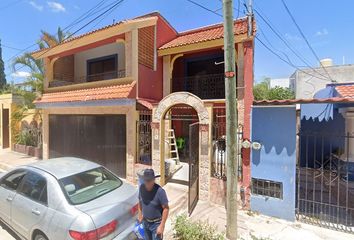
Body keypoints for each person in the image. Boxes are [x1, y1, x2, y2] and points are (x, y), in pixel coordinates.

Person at [138, 169, 169, 240]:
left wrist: (162, 225)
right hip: (145, 222)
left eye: (150, 180)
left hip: (156, 224)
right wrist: (140, 215)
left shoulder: (160, 192)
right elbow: (140, 202)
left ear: (153, 180)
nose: (148, 183)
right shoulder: (141, 188)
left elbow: (166, 208)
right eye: (146, 181)